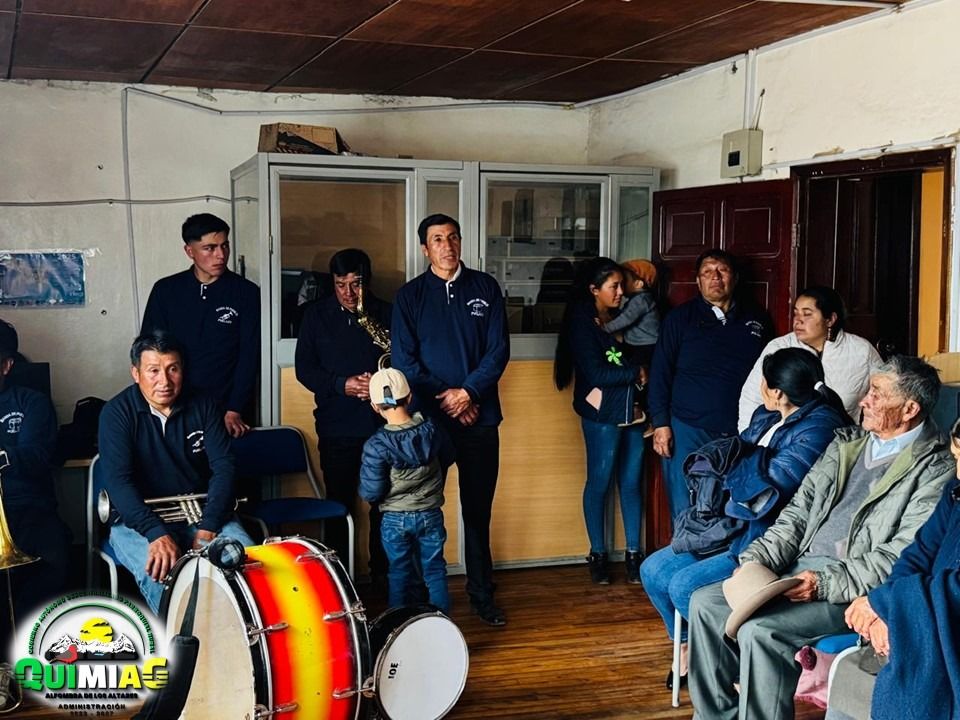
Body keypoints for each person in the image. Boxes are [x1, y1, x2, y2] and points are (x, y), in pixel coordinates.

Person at [686, 355, 955, 720]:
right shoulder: (848, 443)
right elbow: (798, 512)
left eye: (876, 394)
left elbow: (899, 555)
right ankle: (716, 716)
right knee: (704, 604)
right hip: (797, 568)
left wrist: (823, 583)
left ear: (909, 409)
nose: (864, 401)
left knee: (761, 632)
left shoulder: (936, 467)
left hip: (850, 586)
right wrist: (758, 559)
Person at [639, 348, 850, 688]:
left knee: (683, 587)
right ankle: (687, 647)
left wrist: (732, 472)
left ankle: (729, 660)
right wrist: (738, 471)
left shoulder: (819, 428)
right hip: (732, 524)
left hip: (767, 536)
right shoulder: (766, 416)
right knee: (652, 571)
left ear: (777, 391)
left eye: (764, 382)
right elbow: (737, 465)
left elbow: (766, 491)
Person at [391, 213, 510, 626]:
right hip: (431, 424)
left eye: (453, 237)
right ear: (425, 248)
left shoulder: (485, 288)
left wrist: (469, 393)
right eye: (438, 239)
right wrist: (450, 398)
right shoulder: (410, 296)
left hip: (480, 420)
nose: (447, 245)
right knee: (424, 512)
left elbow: (498, 351)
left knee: (478, 513)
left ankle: (482, 596)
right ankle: (423, 602)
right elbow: (406, 362)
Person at [98, 330, 254, 613]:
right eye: (153, 371)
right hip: (139, 521)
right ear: (136, 373)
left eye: (173, 369)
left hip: (205, 513)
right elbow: (119, 482)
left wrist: (208, 527)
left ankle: (241, 638)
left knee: (247, 569)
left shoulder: (205, 405)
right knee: (166, 579)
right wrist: (155, 533)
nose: (165, 381)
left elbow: (224, 467)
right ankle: (184, 640)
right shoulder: (116, 413)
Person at [827, 417, 960, 720]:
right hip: (925, 622)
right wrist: (889, 613)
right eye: (956, 457)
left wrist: (887, 604)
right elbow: (917, 554)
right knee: (848, 672)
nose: (959, 471)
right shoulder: (956, 491)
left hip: (946, 634)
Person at [648, 249, 769, 522]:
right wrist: (661, 424)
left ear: (734, 278)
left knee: (731, 506)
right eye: (707, 272)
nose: (715, 277)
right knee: (687, 506)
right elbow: (660, 373)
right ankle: (683, 551)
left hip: (739, 431)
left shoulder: (756, 320)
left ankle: (724, 553)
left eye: (722, 271)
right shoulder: (680, 319)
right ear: (698, 281)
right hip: (688, 427)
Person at [295, 248, 391, 580]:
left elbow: (406, 364)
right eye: (340, 284)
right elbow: (305, 370)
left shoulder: (388, 313)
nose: (349, 293)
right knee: (339, 505)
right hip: (337, 426)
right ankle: (340, 580)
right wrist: (343, 385)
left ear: (368, 281)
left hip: (384, 424)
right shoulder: (315, 316)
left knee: (386, 505)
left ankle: (383, 579)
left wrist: (379, 384)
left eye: (356, 284)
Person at [554, 258, 647, 585]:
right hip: (601, 414)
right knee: (600, 482)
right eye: (614, 287)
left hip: (633, 411)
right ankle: (598, 554)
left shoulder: (625, 313)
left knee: (631, 482)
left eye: (622, 285)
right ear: (594, 290)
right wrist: (636, 372)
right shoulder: (583, 323)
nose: (621, 292)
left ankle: (634, 555)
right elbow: (596, 374)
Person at [141, 213, 260, 439]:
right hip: (177, 403)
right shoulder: (166, 291)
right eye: (209, 248)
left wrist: (235, 408)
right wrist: (159, 403)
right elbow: (150, 352)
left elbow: (249, 355)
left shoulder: (246, 293)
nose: (221, 255)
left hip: (227, 407)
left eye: (225, 246)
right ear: (189, 251)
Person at [358, 367, 455, 614]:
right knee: (434, 570)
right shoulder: (432, 429)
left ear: (374, 406)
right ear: (410, 397)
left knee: (399, 573)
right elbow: (449, 456)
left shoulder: (376, 445)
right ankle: (443, 624)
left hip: (394, 519)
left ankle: (399, 625)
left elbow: (371, 492)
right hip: (431, 513)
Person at [0, 320, 71, 649]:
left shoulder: (32, 402)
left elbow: (37, 455)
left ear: (6, 365)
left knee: (56, 561)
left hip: (29, 509)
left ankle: (28, 650)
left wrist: (7, 457)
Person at [738, 285, 882, 431]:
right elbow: (751, 398)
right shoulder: (779, 347)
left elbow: (886, 396)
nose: (798, 321)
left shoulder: (861, 350)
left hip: (843, 439)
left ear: (830, 320)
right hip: (787, 439)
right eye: (796, 313)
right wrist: (749, 439)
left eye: (807, 314)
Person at [599, 258, 659, 367]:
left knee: (635, 368)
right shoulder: (636, 299)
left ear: (639, 284)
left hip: (645, 345)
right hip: (636, 343)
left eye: (624, 281)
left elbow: (625, 319)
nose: (621, 287)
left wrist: (605, 328)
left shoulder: (641, 300)